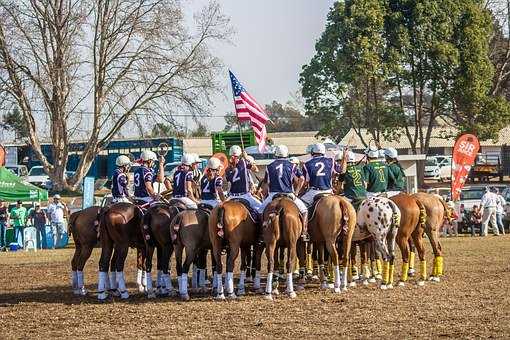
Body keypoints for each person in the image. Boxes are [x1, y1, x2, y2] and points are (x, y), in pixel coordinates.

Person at [259, 145, 308, 239]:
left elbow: (266, 184)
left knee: (260, 211)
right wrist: (296, 192)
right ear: (286, 154)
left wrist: (265, 196)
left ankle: (261, 234)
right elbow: (302, 178)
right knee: (304, 210)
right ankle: (304, 232)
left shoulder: (269, 166)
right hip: (289, 194)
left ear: (276, 154)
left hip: (273, 195)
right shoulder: (292, 165)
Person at [225, 145, 262, 212]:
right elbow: (256, 170)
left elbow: (228, 181)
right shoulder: (244, 162)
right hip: (245, 195)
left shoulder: (227, 169)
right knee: (261, 207)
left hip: (232, 196)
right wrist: (246, 157)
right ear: (239, 154)